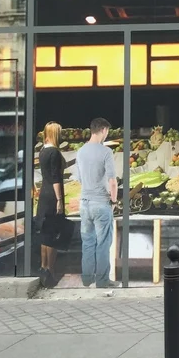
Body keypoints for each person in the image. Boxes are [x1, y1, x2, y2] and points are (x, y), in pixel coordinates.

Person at [75, 117, 119, 289]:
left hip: (84, 203)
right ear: (103, 131)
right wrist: (114, 201)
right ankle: (102, 281)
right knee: (103, 243)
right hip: (101, 203)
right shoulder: (106, 152)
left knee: (87, 242)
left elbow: (79, 179)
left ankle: (87, 279)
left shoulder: (80, 152)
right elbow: (113, 181)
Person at [36, 122, 67, 288]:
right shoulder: (54, 152)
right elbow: (56, 178)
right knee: (54, 234)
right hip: (52, 196)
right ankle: (51, 271)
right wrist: (59, 200)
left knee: (45, 233)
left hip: (43, 194)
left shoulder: (42, 151)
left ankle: (43, 267)